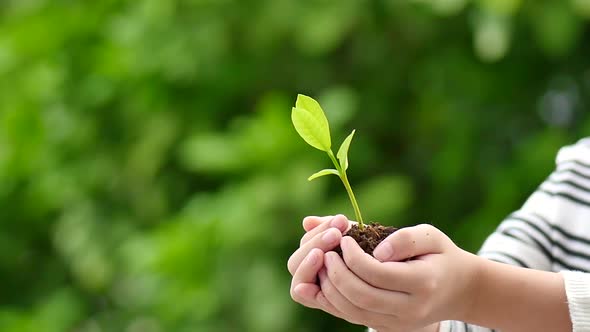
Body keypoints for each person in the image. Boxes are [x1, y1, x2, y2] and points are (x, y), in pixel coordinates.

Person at [288, 137, 590, 332]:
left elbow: (481, 291)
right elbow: (479, 319)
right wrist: (411, 319)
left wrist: (472, 292)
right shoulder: (579, 176)